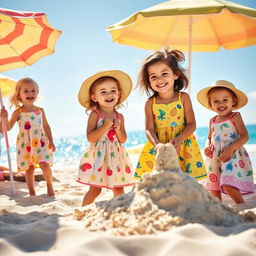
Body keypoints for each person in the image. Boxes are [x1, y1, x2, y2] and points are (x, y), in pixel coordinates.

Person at [134, 48, 207, 180]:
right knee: (160, 180)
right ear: (149, 81)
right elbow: (149, 129)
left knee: (184, 180)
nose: (159, 80)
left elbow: (191, 125)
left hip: (183, 144)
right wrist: (157, 145)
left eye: (164, 74)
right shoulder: (150, 103)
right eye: (153, 76)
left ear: (176, 74)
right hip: (159, 145)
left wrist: (179, 139)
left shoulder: (183, 97)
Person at [77, 70, 135, 206]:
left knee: (119, 187)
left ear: (119, 94)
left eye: (113, 91)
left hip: (116, 156)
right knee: (95, 188)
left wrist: (118, 129)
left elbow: (123, 139)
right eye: (103, 92)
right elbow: (91, 137)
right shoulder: (95, 114)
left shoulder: (120, 116)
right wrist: (105, 126)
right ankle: (83, 209)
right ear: (94, 97)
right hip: (100, 156)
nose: (109, 95)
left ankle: (120, 210)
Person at [197, 80, 254, 204]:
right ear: (211, 104)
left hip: (231, 155)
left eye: (225, 100)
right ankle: (219, 207)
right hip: (215, 157)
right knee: (214, 185)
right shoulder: (212, 120)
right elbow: (209, 137)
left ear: (233, 101)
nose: (220, 103)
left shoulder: (235, 117)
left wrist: (231, 148)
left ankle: (241, 205)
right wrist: (207, 147)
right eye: (216, 101)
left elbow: (245, 136)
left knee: (228, 183)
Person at [0, 77, 55, 196]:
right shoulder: (18, 112)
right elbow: (7, 128)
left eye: (33, 90)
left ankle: (49, 185)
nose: (30, 93)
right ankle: (32, 192)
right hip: (25, 143)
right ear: (19, 95)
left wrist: (51, 141)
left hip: (40, 142)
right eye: (26, 91)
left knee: (44, 164)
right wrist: (3, 118)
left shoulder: (40, 110)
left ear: (37, 93)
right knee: (29, 168)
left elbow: (46, 126)